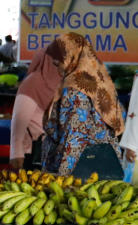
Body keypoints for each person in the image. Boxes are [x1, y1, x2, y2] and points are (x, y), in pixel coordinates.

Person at [42, 33, 124, 176]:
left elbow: (76, 135)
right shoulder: (100, 81)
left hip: (82, 171)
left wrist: (64, 178)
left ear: (71, 57)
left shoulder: (74, 88)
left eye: (59, 62)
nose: (56, 66)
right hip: (106, 163)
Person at [11, 48, 59, 170]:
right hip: (33, 150)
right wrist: (16, 152)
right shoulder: (32, 83)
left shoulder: (58, 82)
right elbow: (19, 120)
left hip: (52, 149)